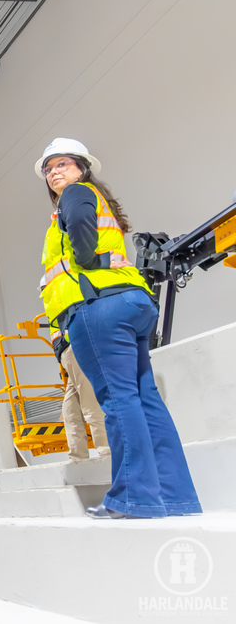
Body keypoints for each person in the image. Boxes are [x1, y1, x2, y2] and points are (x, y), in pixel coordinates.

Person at [33, 137, 200, 519]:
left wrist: (89, 257)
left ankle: (133, 498)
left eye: (62, 164)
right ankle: (174, 497)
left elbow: (80, 237)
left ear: (81, 167)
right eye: (48, 168)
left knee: (118, 401)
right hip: (133, 302)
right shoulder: (95, 197)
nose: (54, 172)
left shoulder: (74, 197)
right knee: (146, 400)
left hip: (98, 306)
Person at [59, 346, 111, 461]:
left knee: (82, 408)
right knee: (82, 408)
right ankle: (99, 453)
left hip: (71, 351)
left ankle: (83, 457)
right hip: (73, 351)